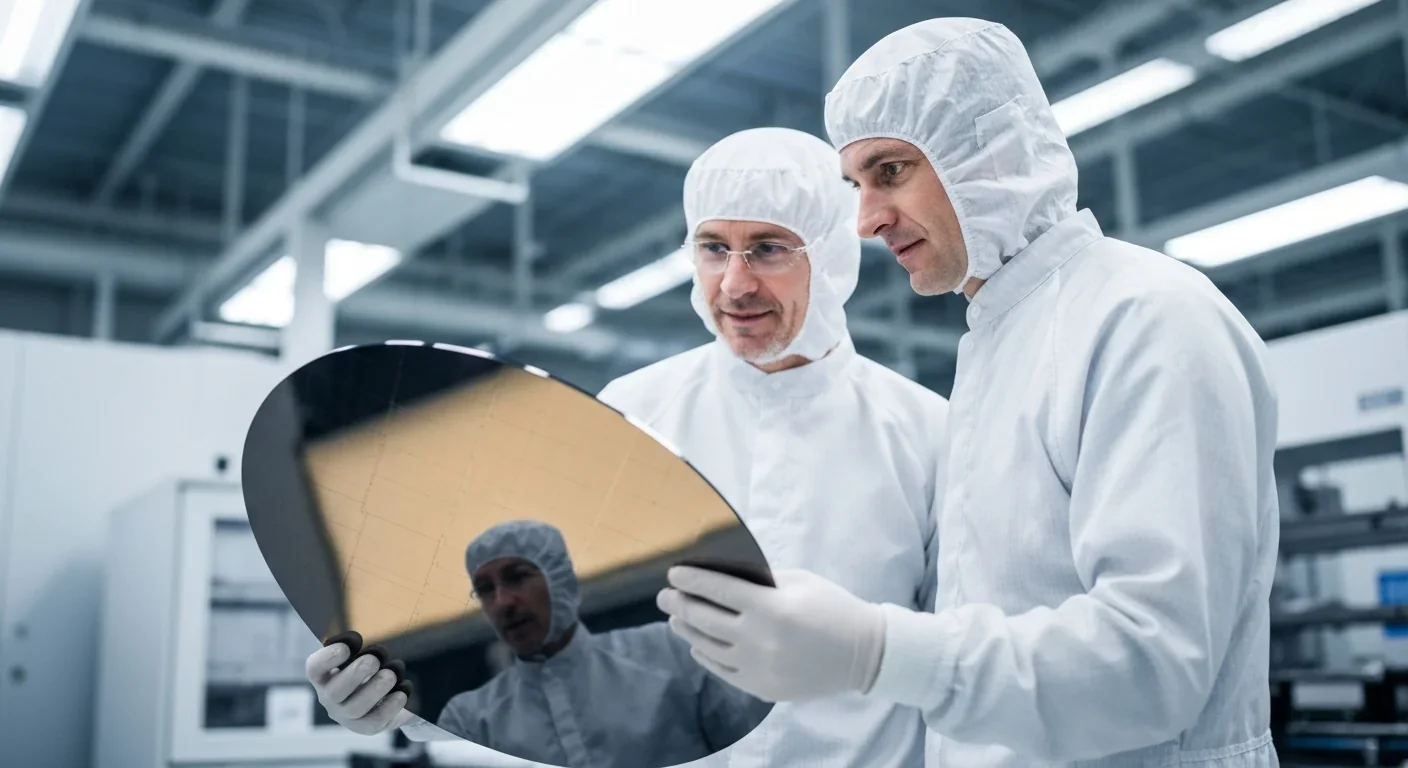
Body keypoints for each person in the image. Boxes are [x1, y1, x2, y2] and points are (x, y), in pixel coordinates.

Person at [656, 17, 1282, 768]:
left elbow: (1157, 661)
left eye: (890, 170)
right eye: (856, 184)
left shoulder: (1147, 316)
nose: (866, 219)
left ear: (989, 150)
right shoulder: (999, 342)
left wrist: (874, 650)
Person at [595, 126, 949, 767]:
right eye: (713, 248)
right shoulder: (632, 412)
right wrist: (417, 703)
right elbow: (554, 629)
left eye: (767, 249)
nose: (734, 284)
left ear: (834, 254)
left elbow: (960, 668)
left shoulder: (926, 433)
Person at [306, 519, 769, 767]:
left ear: (562, 579)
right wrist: (385, 715)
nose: (503, 601)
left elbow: (762, 753)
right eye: (485, 589)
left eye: (518, 577)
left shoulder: (671, 653)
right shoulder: (470, 716)